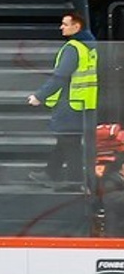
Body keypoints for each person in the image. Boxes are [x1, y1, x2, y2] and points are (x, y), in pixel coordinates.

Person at [28, 11, 98, 189]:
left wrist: (39, 96)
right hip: (84, 103)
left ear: (77, 27)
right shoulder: (89, 47)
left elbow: (60, 77)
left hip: (70, 103)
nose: (61, 27)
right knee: (66, 140)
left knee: (70, 143)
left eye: (65, 24)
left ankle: (75, 183)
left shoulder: (73, 48)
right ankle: (50, 173)